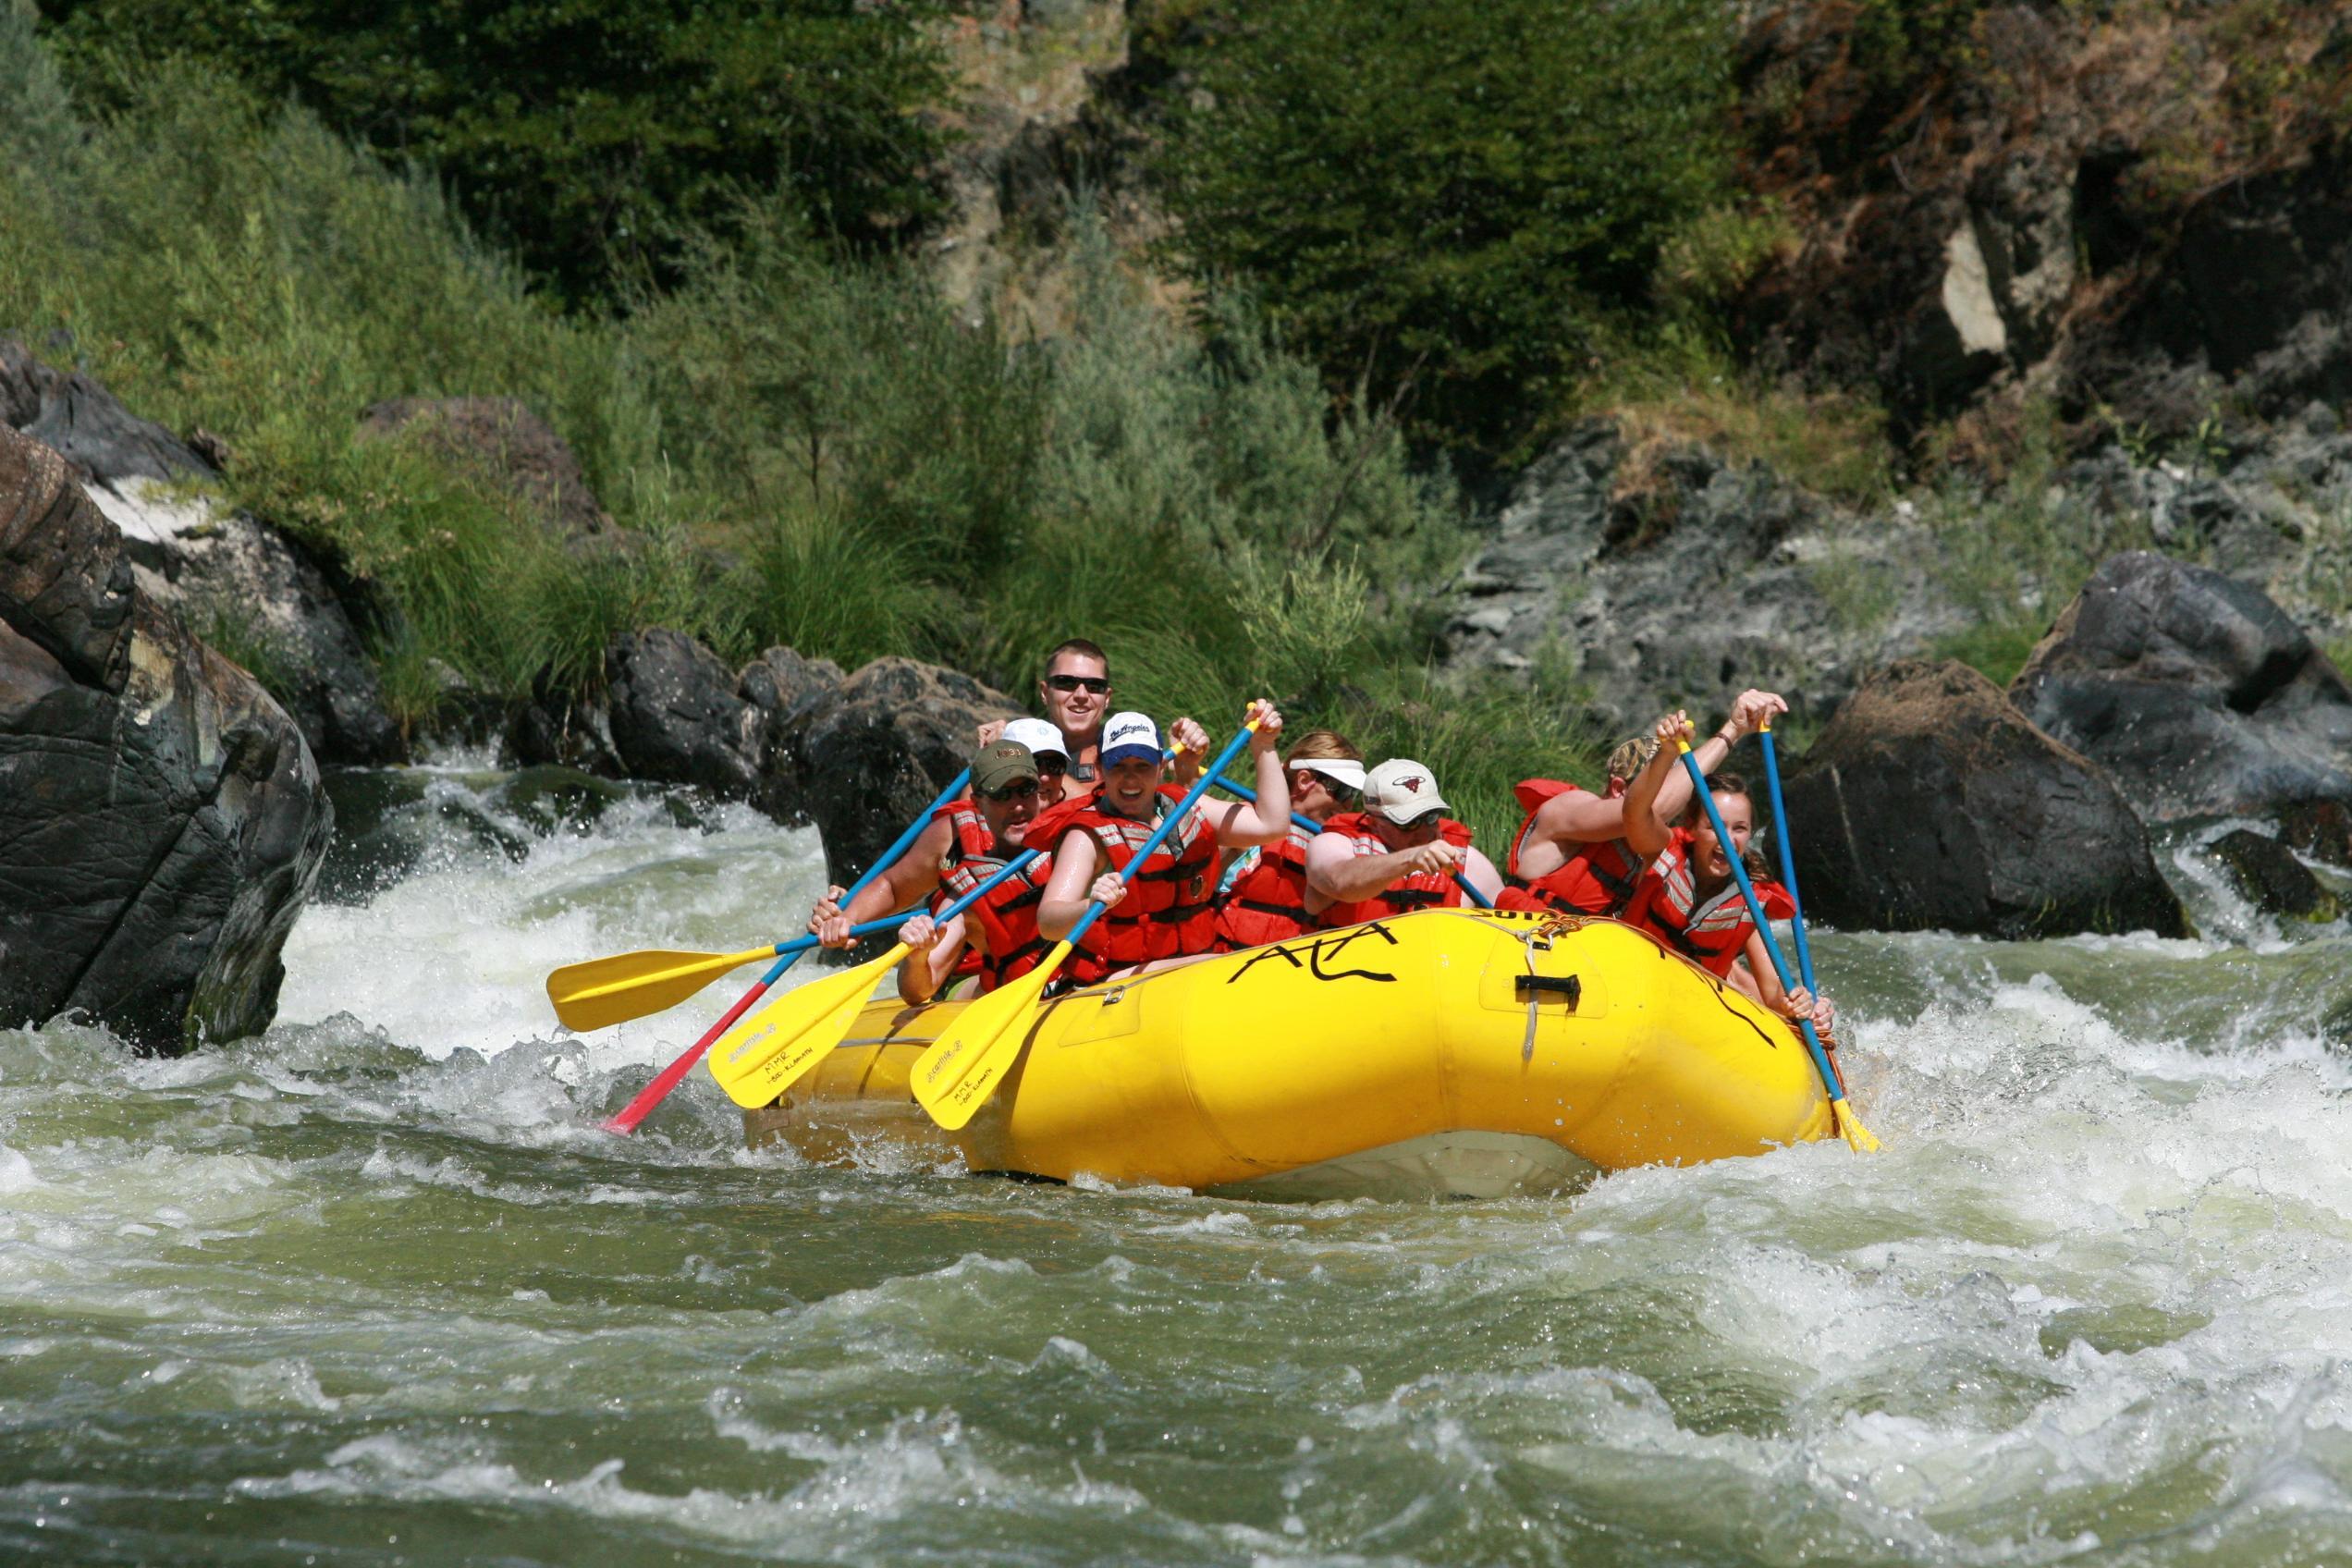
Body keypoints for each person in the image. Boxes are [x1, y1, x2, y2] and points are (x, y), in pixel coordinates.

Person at [1035, 704, 1292, 984]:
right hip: (1114, 982)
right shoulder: (1085, 837)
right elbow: (1048, 921)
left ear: (1160, 767)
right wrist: (1090, 905)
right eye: (1118, 766)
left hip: (1188, 966)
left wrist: (1263, 744)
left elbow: (1272, 825)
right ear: (1101, 770)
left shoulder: (1185, 805)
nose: (1130, 778)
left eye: (1142, 766)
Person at [1619, 710, 1831, 1035]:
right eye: (1715, 826)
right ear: (1691, 828)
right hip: (1631, 987)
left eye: (1740, 829)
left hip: (1691, 1011)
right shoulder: (1661, 852)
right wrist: (1667, 753)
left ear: (1750, 836)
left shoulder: (1749, 902)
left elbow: (1773, 991)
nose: (1727, 839)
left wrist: (1795, 1002)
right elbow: (1635, 812)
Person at [1501, 690, 1787, 916]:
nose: (1677, 803)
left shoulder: (1658, 848)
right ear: (1618, 788)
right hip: (1525, 941)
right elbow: (1651, 807)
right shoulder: (1569, 809)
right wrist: (1732, 731)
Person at [893, 740, 1059, 1002]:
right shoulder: (967, 895)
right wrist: (917, 957)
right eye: (1002, 795)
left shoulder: (1074, 845)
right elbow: (918, 991)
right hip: (1008, 999)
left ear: (1039, 792)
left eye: (1026, 790)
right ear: (978, 804)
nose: (1017, 806)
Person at [1213, 729, 1366, 949]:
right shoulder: (1248, 825)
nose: (1349, 804)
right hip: (1228, 968)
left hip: (1297, 973)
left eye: (1353, 794)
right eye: (1341, 791)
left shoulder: (1340, 844)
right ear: (1304, 780)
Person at [1305, 758, 1503, 926]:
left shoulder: (1470, 863)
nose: (1425, 830)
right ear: (1374, 821)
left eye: (1432, 817)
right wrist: (1411, 858)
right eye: (1409, 823)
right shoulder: (1333, 845)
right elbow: (1340, 883)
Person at [1036, 638, 1113, 783]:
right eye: (1067, 682)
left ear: (1107, 698)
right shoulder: (1018, 748)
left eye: (1095, 686)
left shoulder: (1127, 754)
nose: (1081, 695)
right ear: (1045, 693)